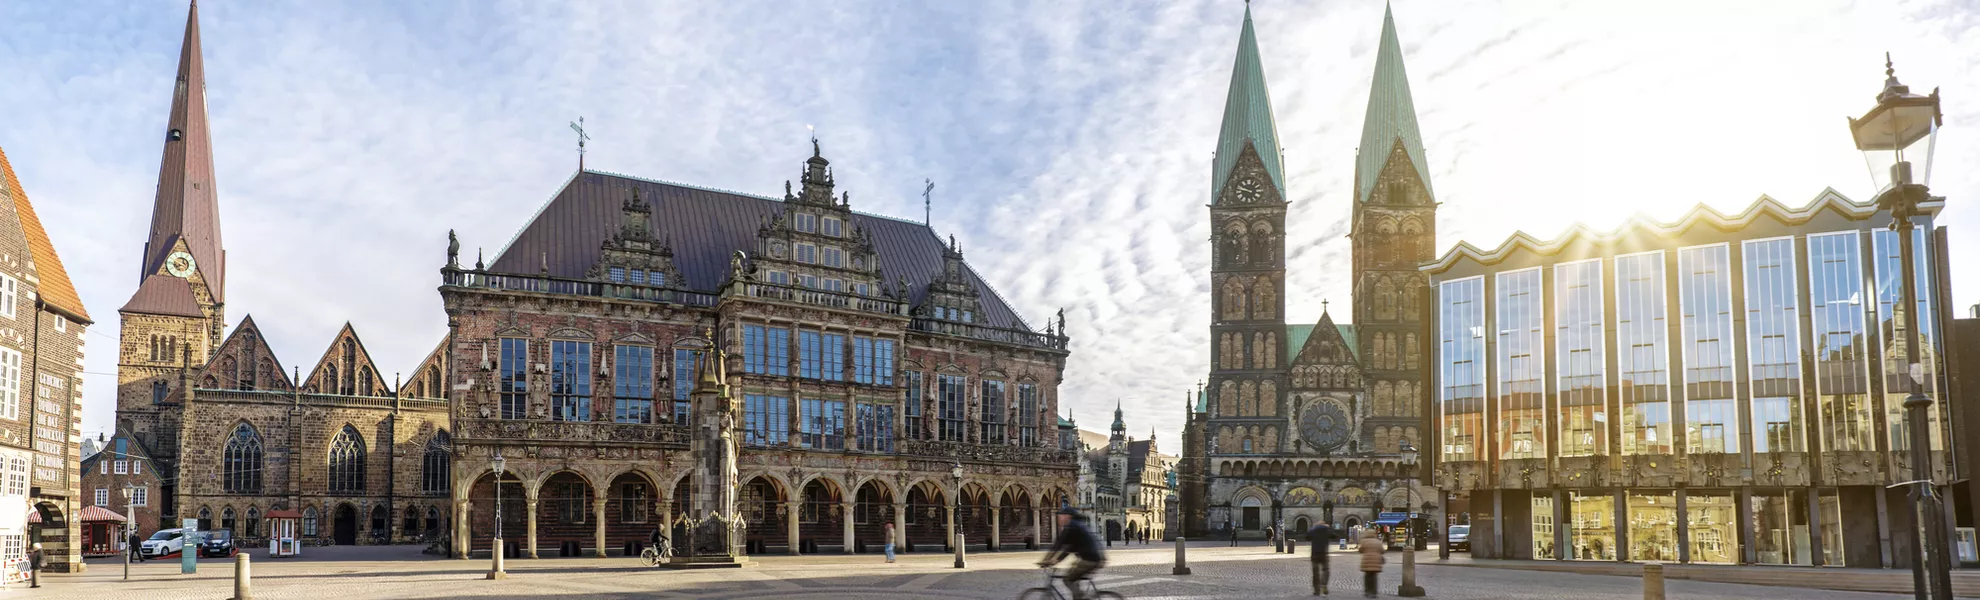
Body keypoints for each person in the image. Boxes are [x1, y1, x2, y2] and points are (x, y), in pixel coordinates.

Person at [1038, 508, 1105, 600]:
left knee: (1067, 579)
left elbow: (1058, 545)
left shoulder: (1072, 527)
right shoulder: (1076, 526)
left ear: (1068, 516)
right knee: (1073, 576)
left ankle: (1081, 597)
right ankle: (1078, 597)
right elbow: (1068, 549)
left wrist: (1046, 561)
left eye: (1060, 516)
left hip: (1090, 560)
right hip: (1094, 558)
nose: (1059, 519)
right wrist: (1055, 560)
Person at [1307, 520, 1337, 596]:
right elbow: (1334, 536)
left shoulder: (1313, 530)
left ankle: (1316, 590)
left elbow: (1307, 537)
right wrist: (1329, 528)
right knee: (1326, 570)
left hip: (1314, 554)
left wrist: (1313, 529)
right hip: (1324, 553)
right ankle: (1324, 584)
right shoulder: (1326, 529)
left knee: (1315, 573)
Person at [1357, 530, 1383, 598]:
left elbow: (1360, 550)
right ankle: (1374, 592)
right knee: (1374, 577)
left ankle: (1367, 591)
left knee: (1367, 577)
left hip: (1366, 562)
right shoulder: (1378, 542)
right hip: (1376, 562)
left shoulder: (1364, 541)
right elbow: (1382, 550)